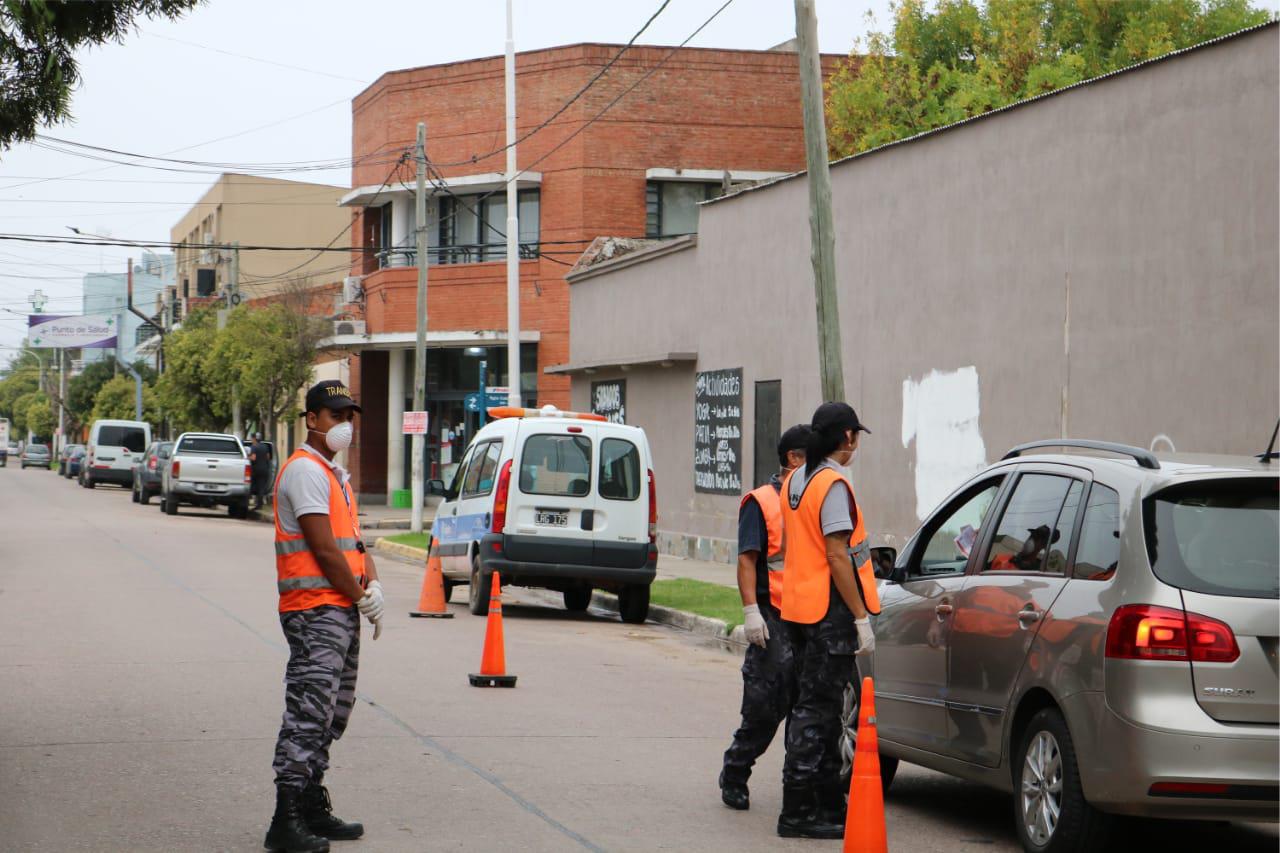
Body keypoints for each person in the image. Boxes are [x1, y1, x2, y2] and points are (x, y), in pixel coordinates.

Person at [264, 382, 385, 853]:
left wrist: (370, 583)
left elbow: (353, 543)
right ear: (311, 419)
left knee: (333, 712)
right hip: (315, 610)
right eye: (335, 416)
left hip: (338, 607)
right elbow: (323, 549)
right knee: (308, 713)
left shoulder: (335, 475)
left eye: (348, 415)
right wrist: (359, 595)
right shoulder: (305, 472)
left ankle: (312, 804)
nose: (344, 425)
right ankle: (285, 818)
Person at [775, 402, 879, 839]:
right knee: (817, 712)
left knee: (817, 708)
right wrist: (860, 617)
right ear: (848, 437)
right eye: (856, 435)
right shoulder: (832, 483)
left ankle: (826, 806)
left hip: (798, 610)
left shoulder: (797, 478)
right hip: (827, 613)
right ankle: (799, 812)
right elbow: (837, 554)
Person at [719, 423, 812, 811]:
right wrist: (750, 612)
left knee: (807, 708)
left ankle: (799, 787)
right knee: (765, 705)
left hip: (811, 616)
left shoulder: (816, 499)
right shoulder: (762, 502)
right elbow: (748, 559)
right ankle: (736, 770)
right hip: (772, 615)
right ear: (794, 458)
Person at [249, 433, 273, 511]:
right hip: (264, 469)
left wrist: (247, 457)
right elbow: (268, 457)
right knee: (261, 487)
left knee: (253, 486)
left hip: (256, 470)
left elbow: (253, 458)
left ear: (254, 439)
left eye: (252, 438)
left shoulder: (254, 447)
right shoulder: (265, 446)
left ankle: (251, 502)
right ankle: (260, 504)